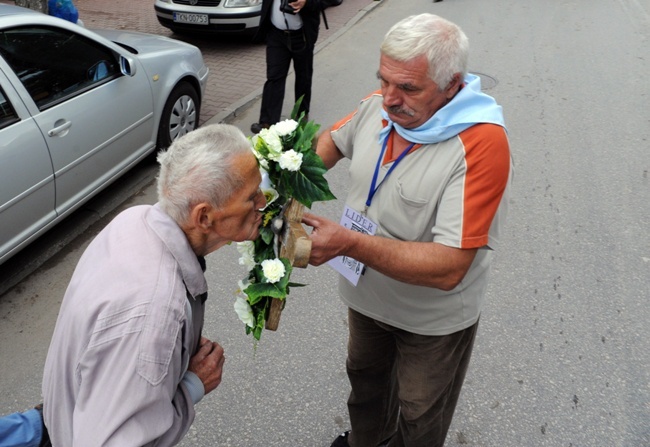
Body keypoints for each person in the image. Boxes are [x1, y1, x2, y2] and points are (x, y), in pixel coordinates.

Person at [301, 13, 513, 447]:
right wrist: (283, 178)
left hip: (431, 322)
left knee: (419, 416)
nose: (389, 100)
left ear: (452, 85)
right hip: (366, 298)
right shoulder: (377, 106)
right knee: (365, 384)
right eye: (384, 81)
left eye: (408, 88)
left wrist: (349, 243)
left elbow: (450, 267)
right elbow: (331, 143)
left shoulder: (482, 143)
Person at [42, 124, 266, 446]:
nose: (262, 202)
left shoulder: (137, 219)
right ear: (203, 217)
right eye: (251, 196)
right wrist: (191, 386)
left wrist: (175, 351)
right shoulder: (155, 314)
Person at [250, 0, 321, 134]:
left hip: (302, 35)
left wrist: (306, 2)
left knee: (303, 76)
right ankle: (268, 122)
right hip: (276, 34)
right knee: (274, 76)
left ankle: (301, 115)